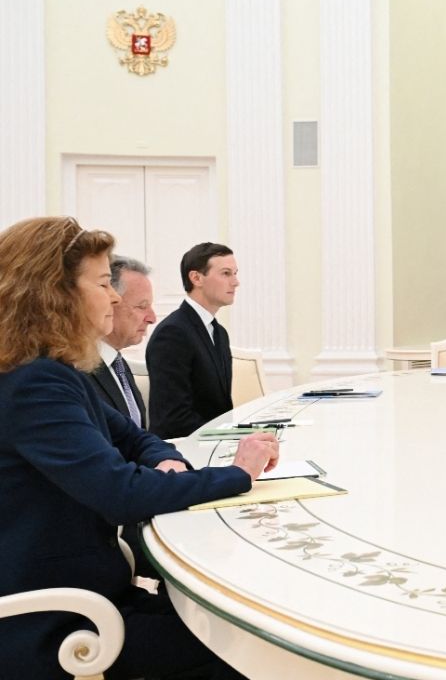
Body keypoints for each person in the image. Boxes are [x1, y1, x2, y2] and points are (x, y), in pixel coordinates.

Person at [0, 216, 278, 679]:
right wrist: (238, 474)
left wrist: (164, 458)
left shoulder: (53, 371)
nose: (114, 296)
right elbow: (120, 493)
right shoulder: (35, 382)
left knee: (232, 620)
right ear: (54, 294)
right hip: (57, 622)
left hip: (89, 593)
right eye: (102, 283)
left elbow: (132, 437)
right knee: (246, 646)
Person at [146, 242, 238, 439]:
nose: (235, 282)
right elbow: (173, 419)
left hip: (213, 443)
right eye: (226, 273)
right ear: (196, 278)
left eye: (235, 273)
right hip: (184, 448)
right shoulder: (172, 334)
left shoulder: (219, 333)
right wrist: (232, 436)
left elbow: (220, 409)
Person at [89, 255, 156, 430]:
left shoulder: (118, 364)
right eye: (142, 306)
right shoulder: (80, 369)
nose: (152, 318)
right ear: (110, 303)